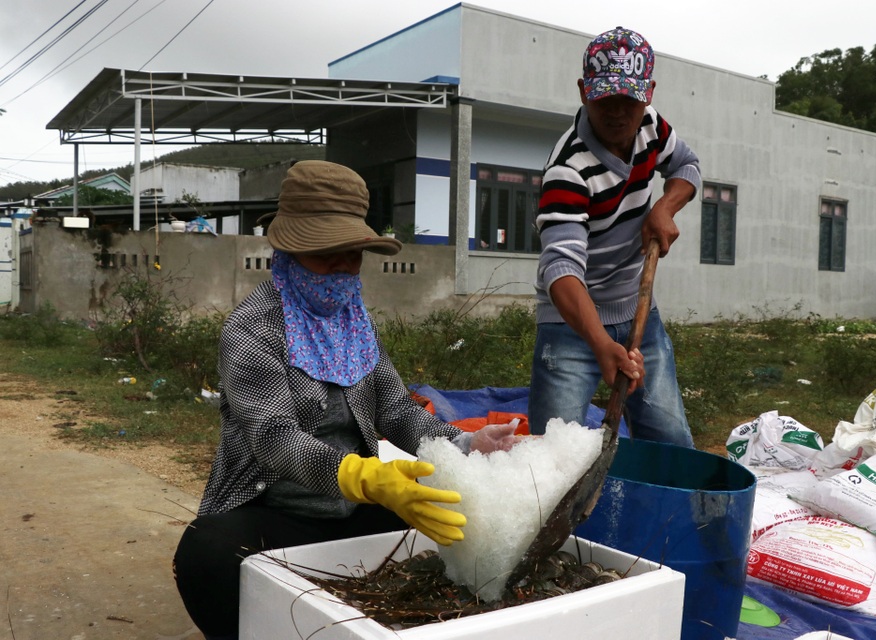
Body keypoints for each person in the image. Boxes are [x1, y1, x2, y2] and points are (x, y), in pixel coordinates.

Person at [173, 160, 517, 640]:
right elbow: (274, 438)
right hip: (275, 512)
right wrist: (361, 475)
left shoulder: (355, 322)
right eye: (325, 252)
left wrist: (464, 443)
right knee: (206, 554)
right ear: (290, 248)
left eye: (351, 254)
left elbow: (396, 410)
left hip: (351, 510)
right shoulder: (252, 328)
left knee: (448, 522)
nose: (341, 267)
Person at [528, 27, 701, 447]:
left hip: (639, 309)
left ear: (649, 93)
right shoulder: (568, 170)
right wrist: (602, 343)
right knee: (554, 459)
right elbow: (561, 268)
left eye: (631, 100)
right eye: (606, 99)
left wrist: (664, 207)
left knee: (671, 442)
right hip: (572, 326)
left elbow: (688, 167)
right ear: (584, 91)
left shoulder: (651, 126)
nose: (620, 113)